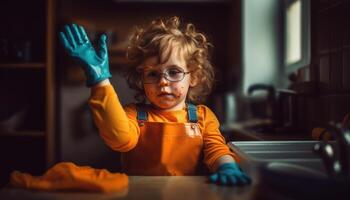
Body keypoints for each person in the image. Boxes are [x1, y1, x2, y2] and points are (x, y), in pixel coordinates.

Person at [59, 16, 251, 186]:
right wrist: (100, 79)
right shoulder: (133, 115)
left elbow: (217, 151)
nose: (162, 82)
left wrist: (228, 167)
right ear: (141, 79)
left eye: (174, 72)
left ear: (194, 76)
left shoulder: (203, 116)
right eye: (152, 73)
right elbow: (120, 139)